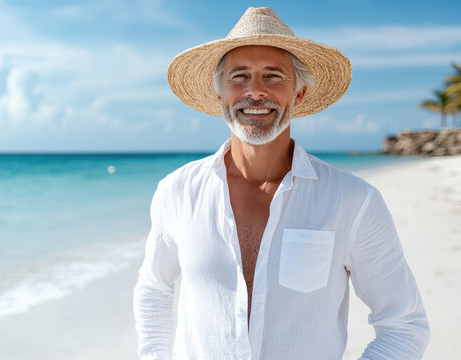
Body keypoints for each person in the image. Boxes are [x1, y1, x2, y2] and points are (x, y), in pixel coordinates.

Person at [132, 7, 429, 360]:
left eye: (273, 77)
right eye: (239, 77)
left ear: (298, 95)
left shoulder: (353, 200)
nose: (255, 91)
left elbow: (405, 324)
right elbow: (154, 290)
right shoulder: (177, 192)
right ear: (219, 97)